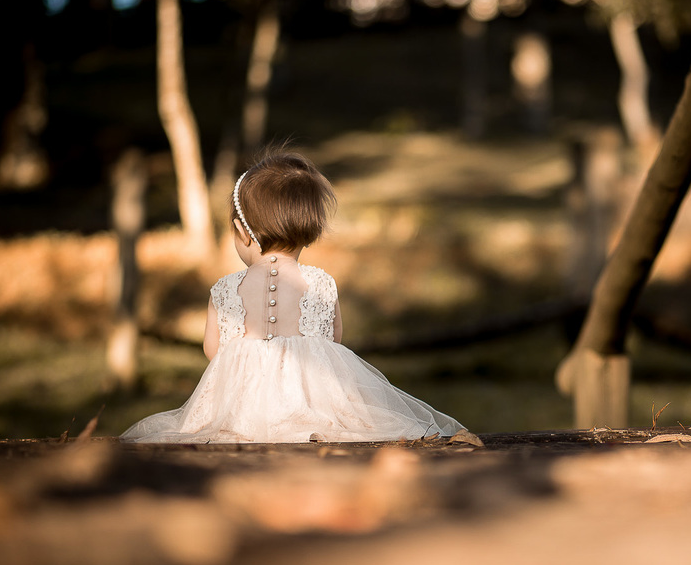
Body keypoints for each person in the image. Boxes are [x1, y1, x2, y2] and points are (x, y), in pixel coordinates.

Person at [121, 151, 465, 443]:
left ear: (242, 232)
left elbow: (214, 352)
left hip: (241, 410)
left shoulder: (225, 289)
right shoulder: (320, 283)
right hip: (315, 409)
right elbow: (334, 342)